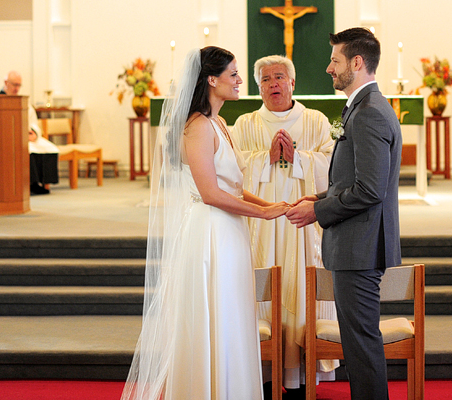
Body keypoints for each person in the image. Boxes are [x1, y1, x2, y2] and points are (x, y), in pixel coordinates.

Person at [122, 46, 291, 400]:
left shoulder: (220, 122)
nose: (240, 80)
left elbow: (234, 186)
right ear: (211, 79)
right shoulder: (197, 126)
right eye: (233, 74)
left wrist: (272, 204)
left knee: (230, 318)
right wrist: (262, 214)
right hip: (210, 231)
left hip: (229, 230)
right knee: (211, 318)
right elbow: (211, 193)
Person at [286, 27, 402, 400]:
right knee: (358, 343)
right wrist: (317, 197)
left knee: (362, 345)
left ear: (357, 62)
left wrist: (318, 211)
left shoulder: (369, 113)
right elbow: (353, 179)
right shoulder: (360, 107)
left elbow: (370, 189)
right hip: (356, 244)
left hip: (360, 248)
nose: (328, 68)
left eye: (335, 60)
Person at [231, 55, 338, 397]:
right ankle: (262, 374)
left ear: (293, 83)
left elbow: (332, 166)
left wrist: (300, 159)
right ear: (258, 86)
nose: (273, 84)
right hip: (260, 225)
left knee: (302, 287)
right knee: (263, 290)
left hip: (303, 225)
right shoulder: (244, 124)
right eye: (265, 79)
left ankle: (304, 378)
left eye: (280, 77)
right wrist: (264, 158)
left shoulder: (316, 120)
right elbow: (232, 171)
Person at [0, 70, 60, 195]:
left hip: (28, 136)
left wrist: (34, 133)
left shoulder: (24, 101)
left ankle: (44, 183)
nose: (17, 88)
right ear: (6, 83)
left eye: (19, 85)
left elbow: (33, 122)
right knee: (28, 150)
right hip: (12, 138)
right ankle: (31, 184)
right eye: (14, 84)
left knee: (50, 148)